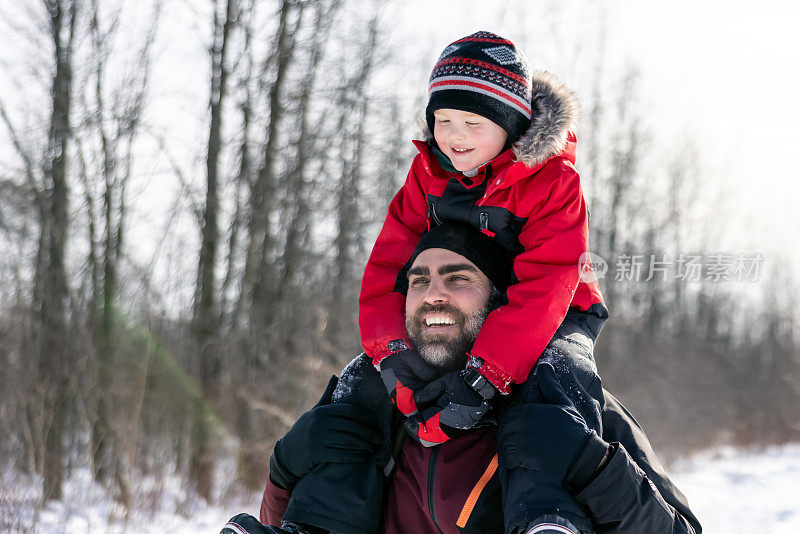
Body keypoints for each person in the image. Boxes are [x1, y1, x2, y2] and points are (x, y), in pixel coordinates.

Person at [221, 223, 702, 534]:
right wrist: (283, 473)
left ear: (499, 301)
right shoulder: (372, 399)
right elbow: (306, 513)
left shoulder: (562, 398)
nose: (433, 295)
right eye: (418, 279)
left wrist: (595, 470)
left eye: (458, 279)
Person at [358, 30, 608, 530]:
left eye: (473, 122)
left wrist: (486, 376)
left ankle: (548, 515)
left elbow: (547, 285)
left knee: (552, 385)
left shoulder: (552, 181)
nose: (454, 135)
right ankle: (312, 519)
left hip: (556, 313)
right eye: (443, 119)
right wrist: (390, 354)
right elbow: (388, 265)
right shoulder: (428, 173)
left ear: (511, 127)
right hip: (459, 302)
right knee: (355, 391)